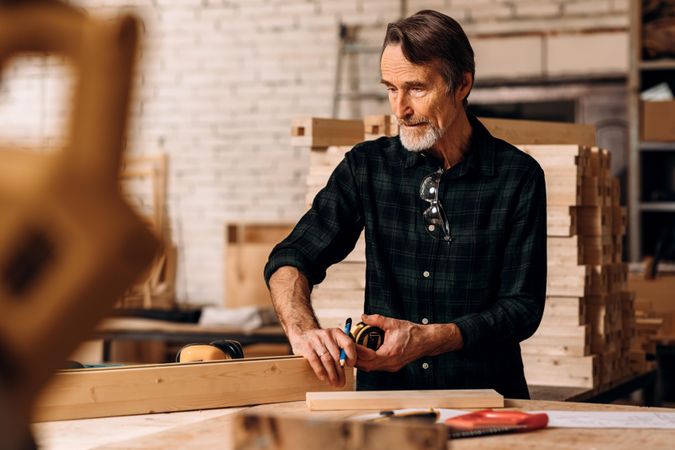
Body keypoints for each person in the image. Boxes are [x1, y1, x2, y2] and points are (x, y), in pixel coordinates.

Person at [264, 10, 546, 399]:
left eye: (416, 88)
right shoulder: (366, 167)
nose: (400, 109)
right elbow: (291, 257)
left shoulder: (518, 176)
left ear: (462, 84)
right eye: (390, 89)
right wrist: (303, 331)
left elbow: (523, 308)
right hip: (386, 403)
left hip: (486, 400)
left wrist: (431, 338)